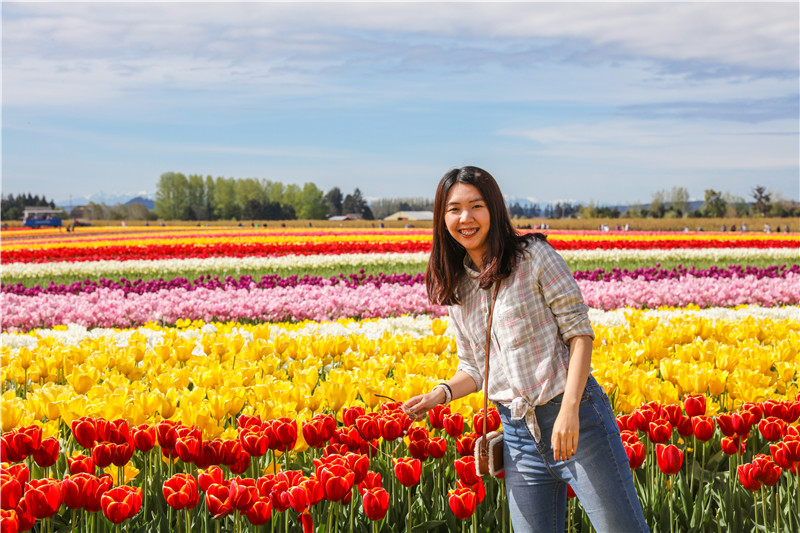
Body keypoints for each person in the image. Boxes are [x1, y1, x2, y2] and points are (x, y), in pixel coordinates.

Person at [402, 166, 648, 533]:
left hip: (577, 423)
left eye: (476, 206)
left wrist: (568, 411)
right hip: (517, 438)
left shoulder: (533, 256)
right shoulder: (458, 286)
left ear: (494, 209)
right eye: (454, 209)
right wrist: (439, 395)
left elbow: (579, 334)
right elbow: (473, 368)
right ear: (442, 218)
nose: (465, 218)